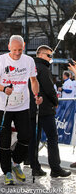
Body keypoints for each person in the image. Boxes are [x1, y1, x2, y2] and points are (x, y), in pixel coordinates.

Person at [0, 35, 43, 185]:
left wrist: (36, 94)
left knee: (26, 136)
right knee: (5, 140)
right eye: (14, 50)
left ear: (24, 46)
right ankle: (7, 171)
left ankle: (15, 163)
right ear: (9, 47)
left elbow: (34, 81)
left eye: (20, 50)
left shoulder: (28, 61)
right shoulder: (1, 60)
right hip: (4, 105)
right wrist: (4, 88)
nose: (17, 53)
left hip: (22, 105)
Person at [28, 45, 71, 178]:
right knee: (52, 138)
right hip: (45, 109)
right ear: (40, 55)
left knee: (34, 139)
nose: (50, 59)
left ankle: (35, 167)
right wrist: (55, 102)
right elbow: (49, 89)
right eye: (49, 55)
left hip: (32, 108)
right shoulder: (43, 68)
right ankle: (55, 168)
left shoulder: (30, 67)